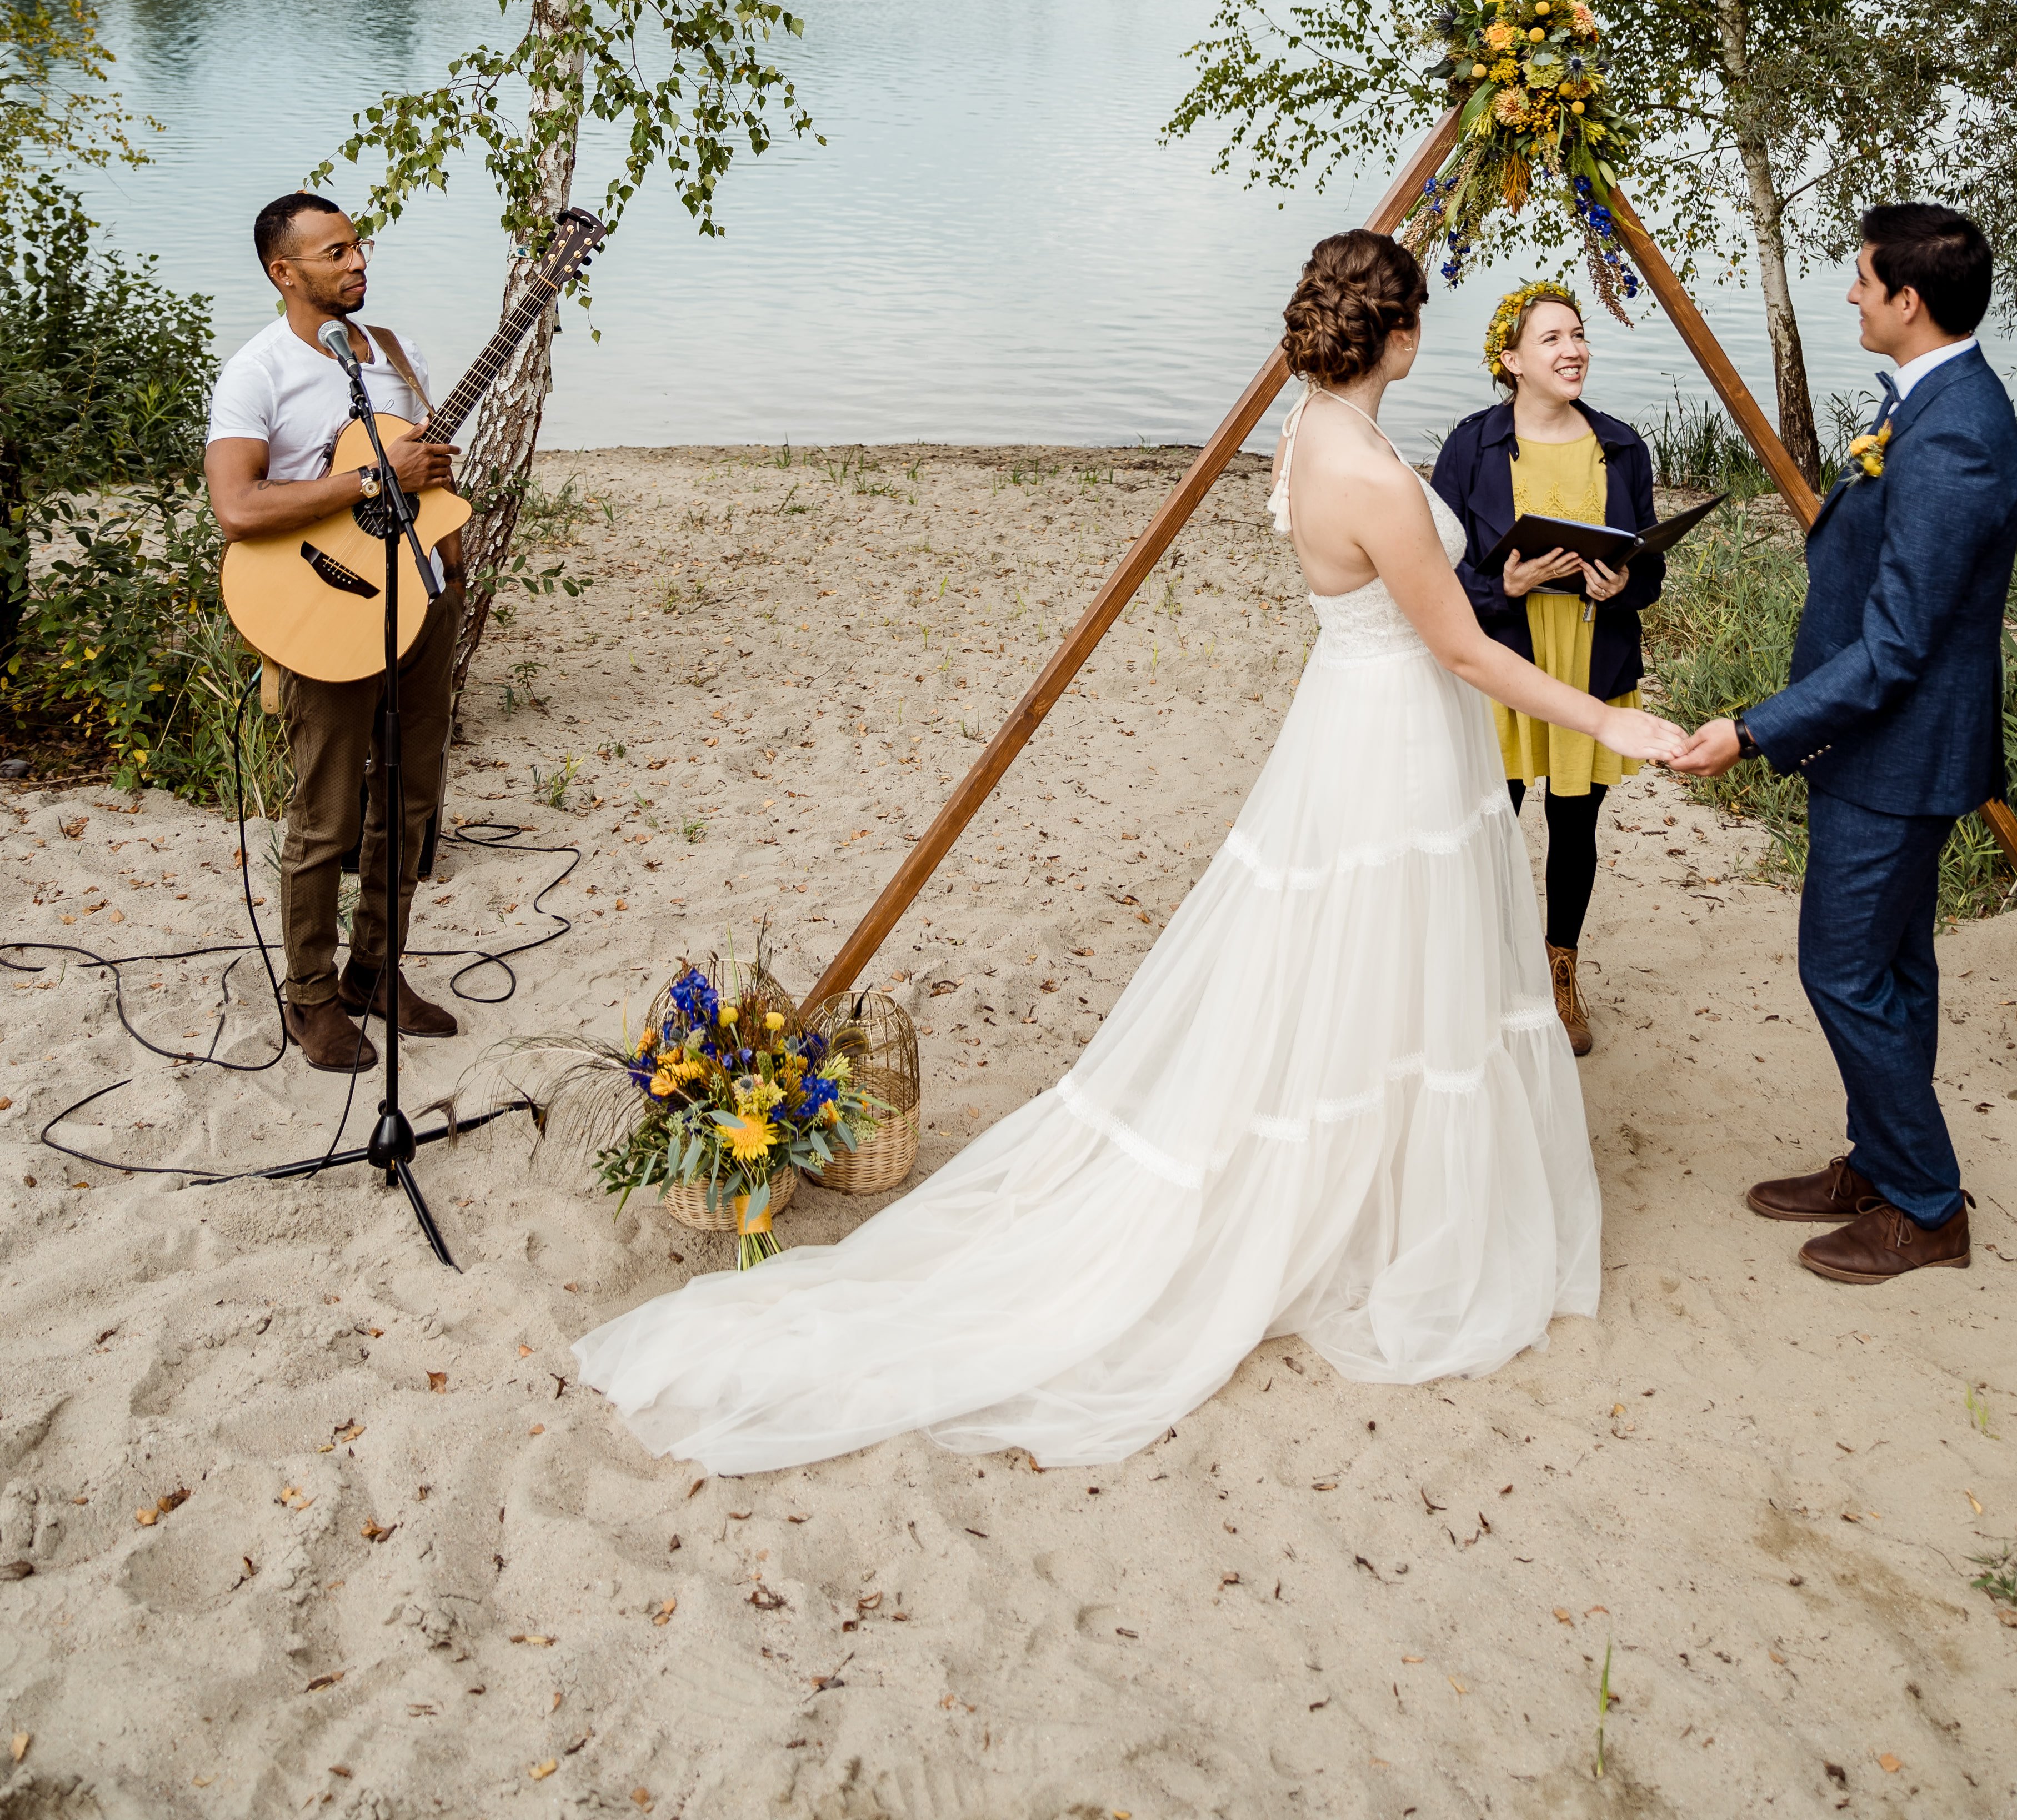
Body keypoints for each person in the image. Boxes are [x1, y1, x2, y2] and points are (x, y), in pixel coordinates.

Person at [575, 229, 1686, 1476]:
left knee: (1350, 954)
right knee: (1390, 943)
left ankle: (1370, 1184)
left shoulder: (1313, 429)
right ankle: (1379, 1214)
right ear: (1403, 337)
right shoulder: (1371, 472)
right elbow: (1468, 652)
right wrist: (1607, 719)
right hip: (1390, 738)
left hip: (1350, 713)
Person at [1675, 203, 2017, 1284]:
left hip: (1895, 752)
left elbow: (1893, 648)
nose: (1847, 294)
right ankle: (1879, 1162)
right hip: (1887, 749)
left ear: (1904, 300)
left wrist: (1750, 729)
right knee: (1893, 966)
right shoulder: (1932, 400)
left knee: (1837, 970)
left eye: (1860, 280)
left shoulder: (1958, 430)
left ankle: (1924, 1203)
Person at [204, 194, 465, 1075]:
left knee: (411, 798)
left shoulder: (393, 355)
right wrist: (368, 479)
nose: (358, 263)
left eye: (360, 246)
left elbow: (419, 475)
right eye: (336, 252)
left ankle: (374, 971)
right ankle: (310, 998)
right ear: (286, 272)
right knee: (327, 816)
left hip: (420, 596)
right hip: (325, 607)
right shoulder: (258, 372)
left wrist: (443, 526)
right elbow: (238, 508)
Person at [1430, 279, 1666, 1058]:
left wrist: (1626, 582)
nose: (1574, 351)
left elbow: (1652, 570)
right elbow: (1433, 571)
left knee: (1575, 822)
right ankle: (1487, 975)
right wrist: (1506, 584)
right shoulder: (1471, 446)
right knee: (1492, 820)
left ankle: (1560, 971)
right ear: (1511, 360)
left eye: (1579, 334)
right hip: (1502, 653)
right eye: (1553, 340)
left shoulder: (1622, 445)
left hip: (1590, 655)